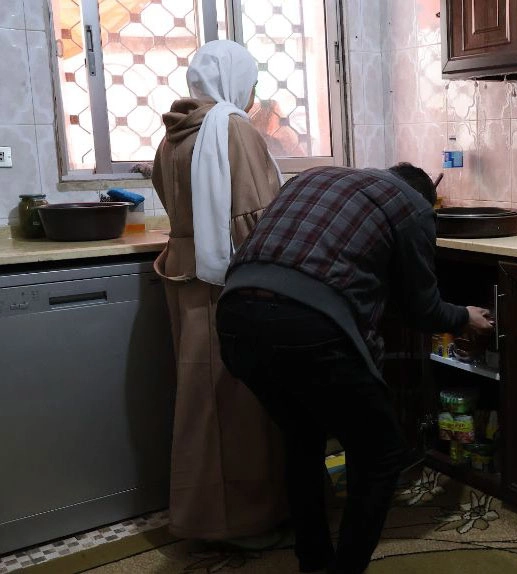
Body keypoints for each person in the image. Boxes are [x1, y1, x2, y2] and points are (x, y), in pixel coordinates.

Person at [215, 163, 493, 574]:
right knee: (381, 454)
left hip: (234, 317)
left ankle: (313, 561)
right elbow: (422, 309)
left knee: (302, 439)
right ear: (427, 198)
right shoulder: (413, 207)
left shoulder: (313, 176)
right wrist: (464, 316)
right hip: (307, 324)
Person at [151, 40, 288, 544]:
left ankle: (203, 514)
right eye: (251, 81)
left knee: (199, 396)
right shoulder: (232, 127)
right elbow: (256, 213)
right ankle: (245, 520)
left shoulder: (174, 133)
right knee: (237, 396)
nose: (253, 93)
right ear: (234, 79)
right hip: (228, 274)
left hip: (185, 268)